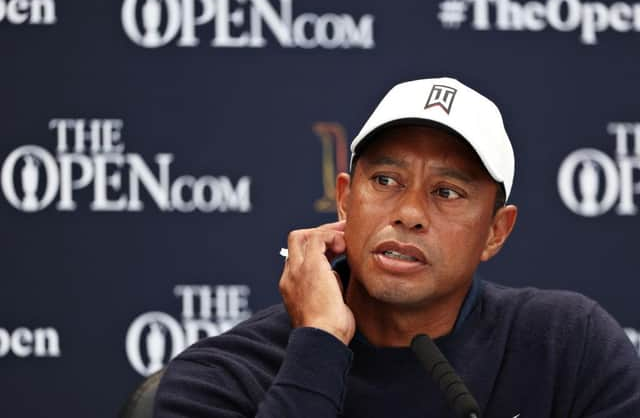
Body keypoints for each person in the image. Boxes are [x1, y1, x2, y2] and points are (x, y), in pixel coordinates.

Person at [154, 78, 640, 417]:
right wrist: (320, 343)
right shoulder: (222, 375)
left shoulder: (570, 350)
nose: (409, 212)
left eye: (446, 192)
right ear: (345, 200)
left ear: (496, 231)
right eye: (386, 180)